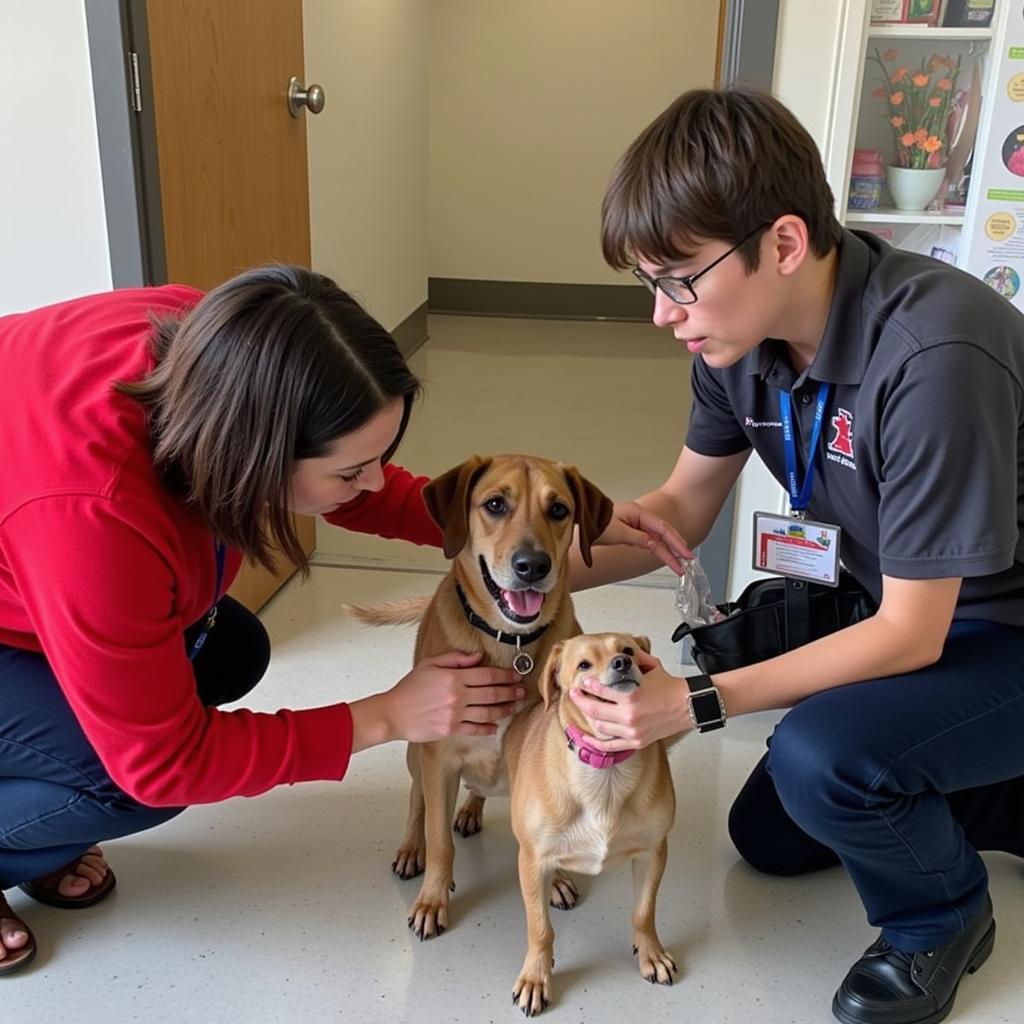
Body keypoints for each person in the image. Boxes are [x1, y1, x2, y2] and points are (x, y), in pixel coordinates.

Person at [0, 264, 689, 974]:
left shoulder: (224, 345)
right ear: (256, 451)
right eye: (352, 472)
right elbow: (166, 762)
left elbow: (350, 478)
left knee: (231, 650)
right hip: (52, 552)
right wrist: (385, 715)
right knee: (127, 783)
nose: (371, 484)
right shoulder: (94, 517)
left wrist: (522, 528)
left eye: (378, 461)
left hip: (43, 558)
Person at [564, 87, 1024, 1024]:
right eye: (649, 284)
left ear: (780, 243)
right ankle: (998, 792)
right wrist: (520, 575)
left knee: (824, 764)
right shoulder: (736, 339)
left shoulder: (936, 351)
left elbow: (908, 634)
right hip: (922, 616)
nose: (662, 314)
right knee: (770, 835)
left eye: (679, 279)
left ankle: (942, 917)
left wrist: (695, 701)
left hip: (994, 631)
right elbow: (680, 509)